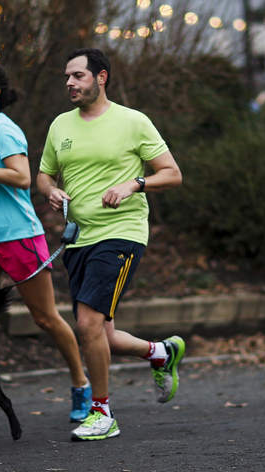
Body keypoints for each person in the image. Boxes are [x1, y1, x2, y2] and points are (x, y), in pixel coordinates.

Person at [37, 48, 184, 442]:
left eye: (78, 76)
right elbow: (43, 176)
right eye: (67, 76)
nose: (70, 82)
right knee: (101, 334)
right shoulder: (60, 126)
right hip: (78, 240)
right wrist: (51, 191)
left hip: (122, 234)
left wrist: (134, 183)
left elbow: (172, 174)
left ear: (101, 78)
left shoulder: (133, 122)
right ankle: (160, 353)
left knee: (87, 323)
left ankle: (101, 412)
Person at [0, 60, 91, 425]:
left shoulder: (5, 130)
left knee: (45, 318)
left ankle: (82, 384)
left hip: (20, 236)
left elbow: (22, 178)